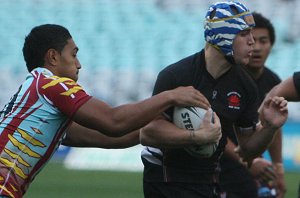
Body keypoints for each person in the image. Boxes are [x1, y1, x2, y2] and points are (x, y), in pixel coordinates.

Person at [0, 24, 222, 198]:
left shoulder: (39, 102)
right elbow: (113, 122)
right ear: (53, 57)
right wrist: (170, 96)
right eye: (74, 54)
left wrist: (176, 132)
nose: (79, 64)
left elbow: (110, 137)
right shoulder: (52, 84)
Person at [140, 2, 288, 198]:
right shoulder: (176, 75)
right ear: (223, 35)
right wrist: (196, 137)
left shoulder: (245, 86)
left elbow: (247, 151)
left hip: (209, 182)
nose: (252, 41)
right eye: (244, 34)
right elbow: (148, 133)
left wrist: (270, 127)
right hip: (165, 180)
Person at [219, 12, 286, 198]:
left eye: (263, 41)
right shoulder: (226, 78)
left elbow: (274, 126)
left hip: (250, 165)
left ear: (271, 45)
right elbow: (214, 130)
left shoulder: (273, 81)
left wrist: (278, 168)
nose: (256, 47)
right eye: (252, 40)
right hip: (220, 167)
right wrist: (249, 160)